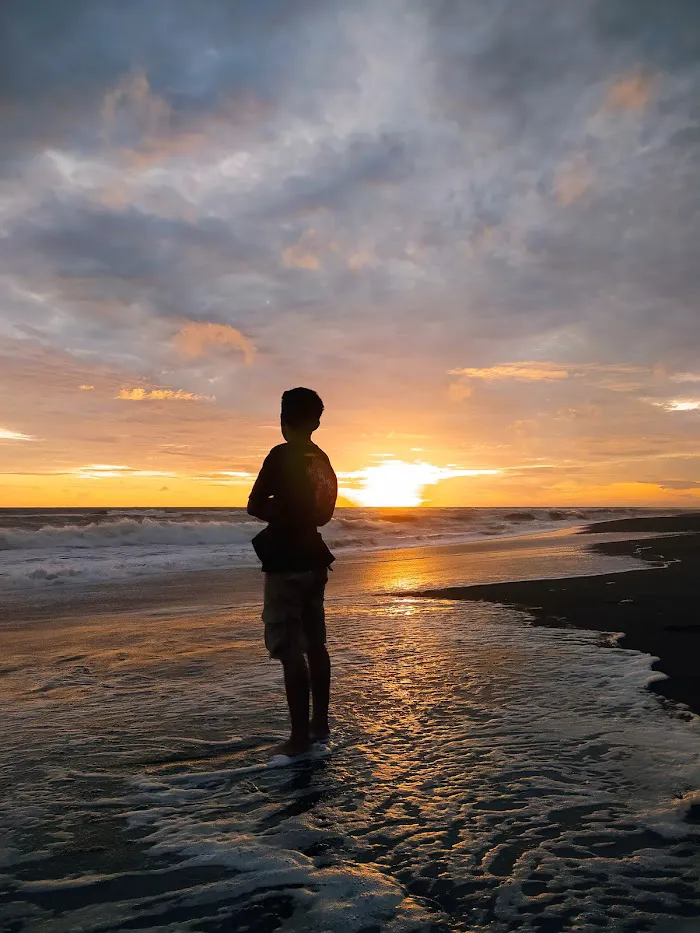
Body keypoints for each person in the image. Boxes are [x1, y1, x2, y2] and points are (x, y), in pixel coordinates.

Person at [247, 387, 338, 757]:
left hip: (285, 558)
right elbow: (324, 514)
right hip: (315, 557)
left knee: (288, 648)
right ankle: (320, 725)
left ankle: (298, 738)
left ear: (283, 421)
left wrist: (281, 511)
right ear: (317, 422)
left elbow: (254, 504)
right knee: (316, 643)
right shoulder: (322, 459)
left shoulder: (279, 455)